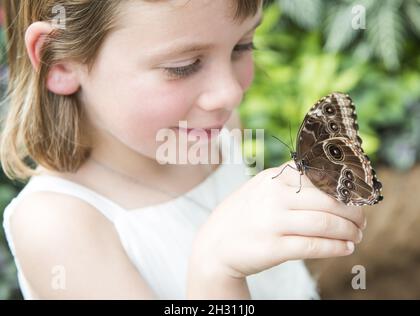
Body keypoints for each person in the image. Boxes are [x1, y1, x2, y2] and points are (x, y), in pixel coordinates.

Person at [0, 0, 365, 299]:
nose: (230, 94)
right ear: (59, 61)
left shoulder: (213, 133)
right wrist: (214, 272)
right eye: (183, 67)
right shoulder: (58, 226)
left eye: (242, 46)